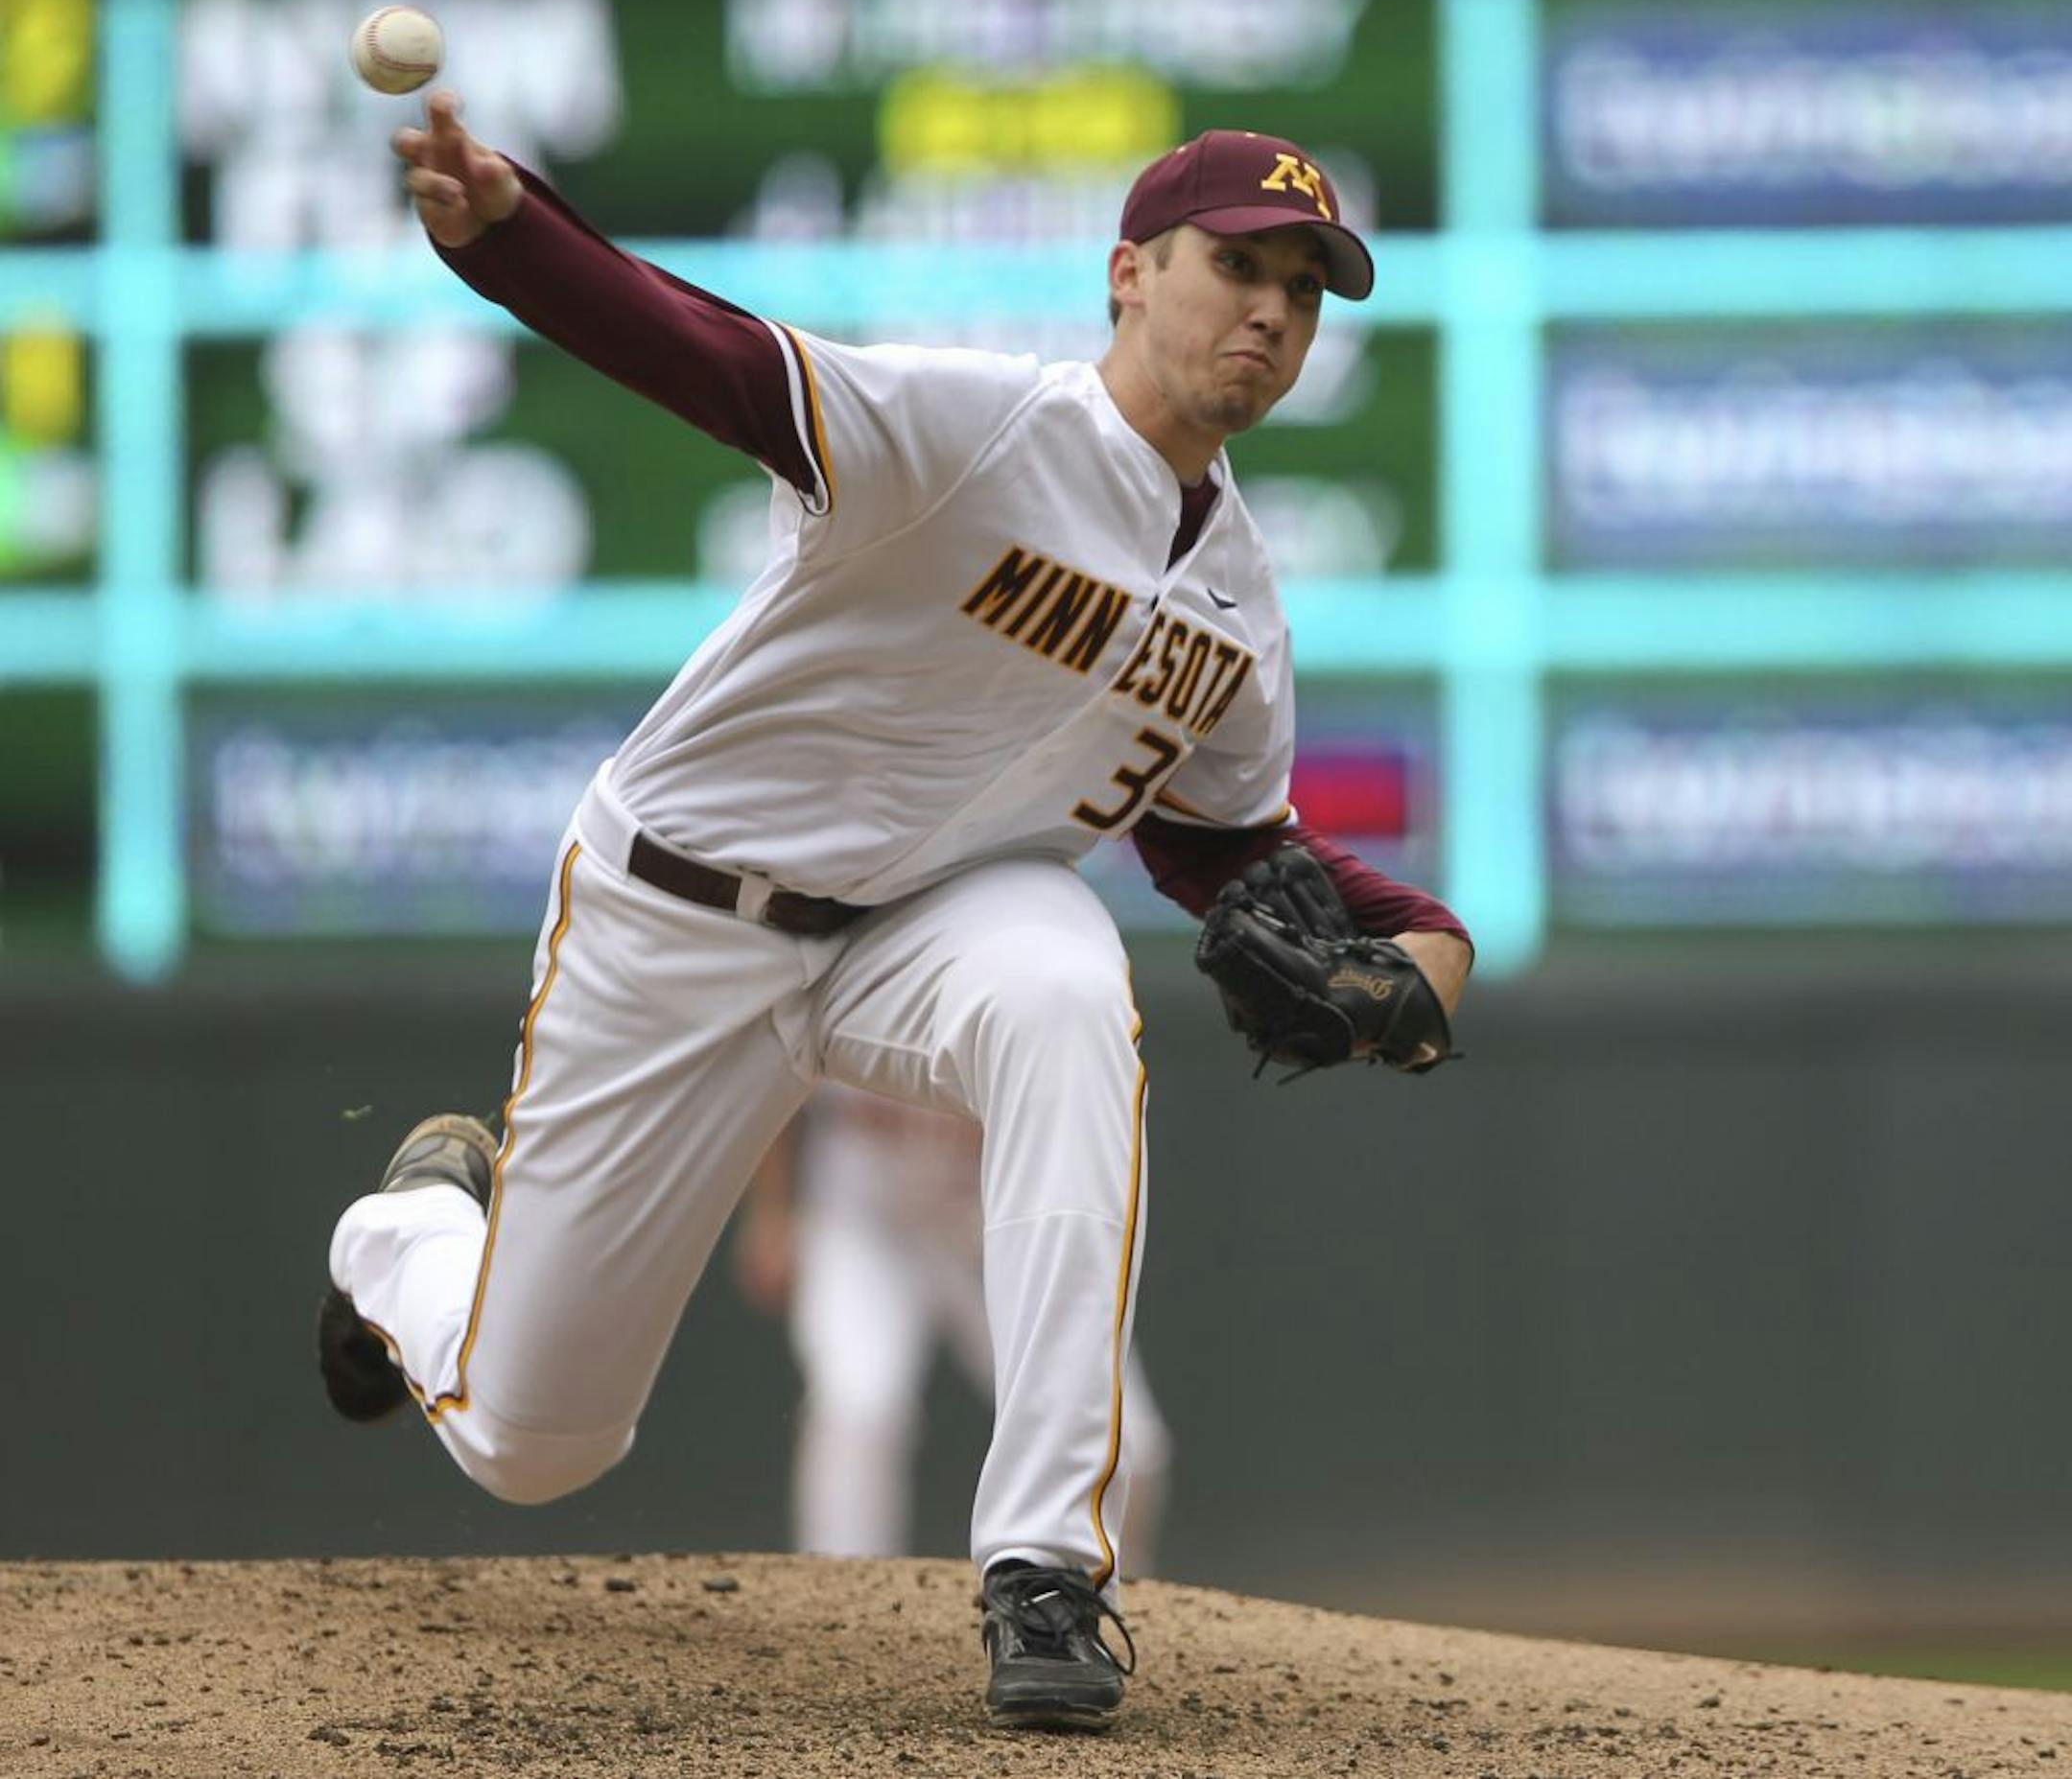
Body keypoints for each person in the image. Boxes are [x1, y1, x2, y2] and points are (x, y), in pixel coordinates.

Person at [318, 96, 1473, 1733]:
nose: (1274, 308)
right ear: (1131, 272)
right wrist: (513, 236)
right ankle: (411, 1231)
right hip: (681, 918)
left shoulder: (1238, 610)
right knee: (535, 1441)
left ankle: (1046, 1569)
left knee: (1069, 984)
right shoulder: (978, 428)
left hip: (916, 935)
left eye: (1307, 282)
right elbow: (706, 357)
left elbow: (1233, 858)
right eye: (1240, 262)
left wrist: (1433, 947)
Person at [734, 1083, 1171, 1571]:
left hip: (994, 1227)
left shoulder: (1044, 1009)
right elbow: (776, 1075)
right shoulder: (834, 1001)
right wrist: (771, 1211)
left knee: (1130, 1440)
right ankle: (839, 1596)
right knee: (859, 1410)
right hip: (866, 1224)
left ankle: (1111, 1597)